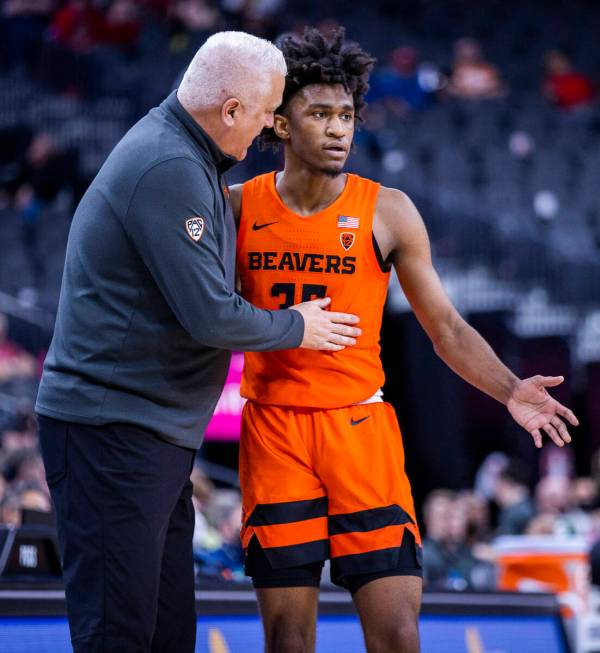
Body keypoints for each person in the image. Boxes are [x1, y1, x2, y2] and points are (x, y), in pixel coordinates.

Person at [229, 27, 578, 653]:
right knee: (286, 636)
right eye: (320, 114)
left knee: (396, 634)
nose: (339, 129)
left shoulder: (385, 209)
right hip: (273, 429)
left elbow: (445, 327)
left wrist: (509, 390)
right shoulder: (236, 208)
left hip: (360, 429)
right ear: (280, 124)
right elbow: (200, 315)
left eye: (347, 115)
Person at [35, 31, 360, 653]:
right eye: (267, 115)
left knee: (164, 634)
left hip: (146, 437)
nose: (270, 129)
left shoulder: (189, 158)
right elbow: (209, 316)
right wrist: (299, 326)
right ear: (230, 109)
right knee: (119, 636)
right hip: (111, 433)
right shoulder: (170, 166)